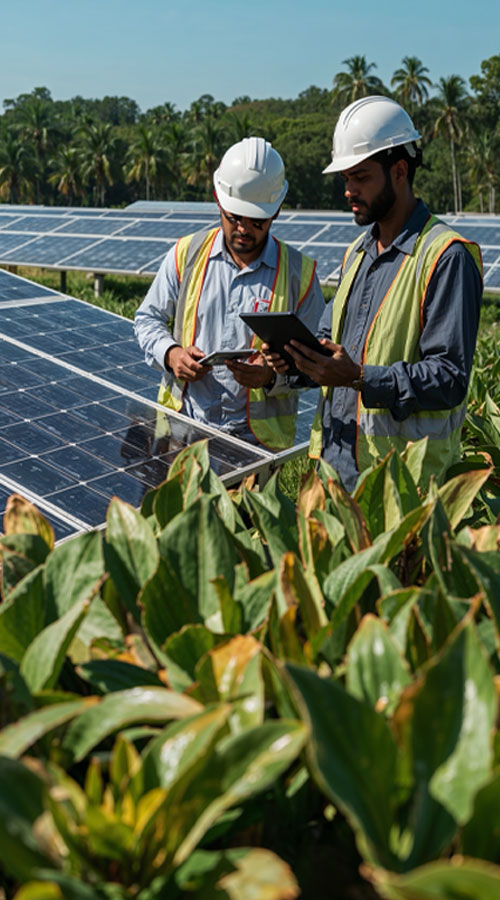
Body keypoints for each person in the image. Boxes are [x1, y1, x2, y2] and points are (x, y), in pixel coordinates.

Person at [263, 96, 483, 491]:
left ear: (399, 171)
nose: (348, 190)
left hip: (401, 487)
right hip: (334, 473)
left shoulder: (445, 257)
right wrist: (291, 360)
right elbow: (330, 350)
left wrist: (362, 378)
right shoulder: (357, 254)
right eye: (346, 179)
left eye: (360, 177)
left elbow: (450, 377)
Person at [134, 137, 325, 451]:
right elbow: (147, 319)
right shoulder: (186, 254)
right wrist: (171, 354)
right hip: (182, 431)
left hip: (256, 445)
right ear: (218, 201)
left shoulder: (299, 275)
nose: (244, 229)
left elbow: (316, 365)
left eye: (257, 221)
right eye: (234, 217)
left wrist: (269, 378)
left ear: (276, 212)